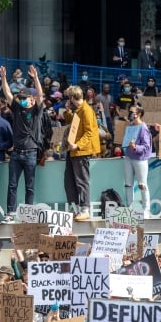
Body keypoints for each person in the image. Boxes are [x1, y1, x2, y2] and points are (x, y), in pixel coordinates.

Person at [0, 65, 46, 223]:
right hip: (16, 153)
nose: (23, 100)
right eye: (22, 98)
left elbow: (40, 95)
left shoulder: (36, 110)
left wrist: (36, 78)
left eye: (25, 98)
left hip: (31, 153)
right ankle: (10, 214)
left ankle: (28, 215)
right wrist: (4, 78)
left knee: (29, 187)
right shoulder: (18, 108)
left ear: (31, 99)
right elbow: (7, 93)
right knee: (12, 185)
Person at [63, 85, 100, 221]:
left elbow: (89, 132)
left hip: (81, 151)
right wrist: (67, 111)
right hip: (73, 150)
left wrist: (78, 145)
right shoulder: (78, 110)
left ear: (72, 98)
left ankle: (85, 209)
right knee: (69, 181)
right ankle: (75, 208)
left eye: (69, 98)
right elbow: (70, 122)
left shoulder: (86, 110)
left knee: (81, 181)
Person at [122, 104, 152, 216]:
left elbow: (146, 146)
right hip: (129, 157)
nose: (130, 113)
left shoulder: (143, 128)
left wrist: (136, 147)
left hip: (140, 159)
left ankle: (146, 209)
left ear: (139, 114)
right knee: (128, 184)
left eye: (132, 111)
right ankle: (129, 207)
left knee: (142, 184)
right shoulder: (130, 126)